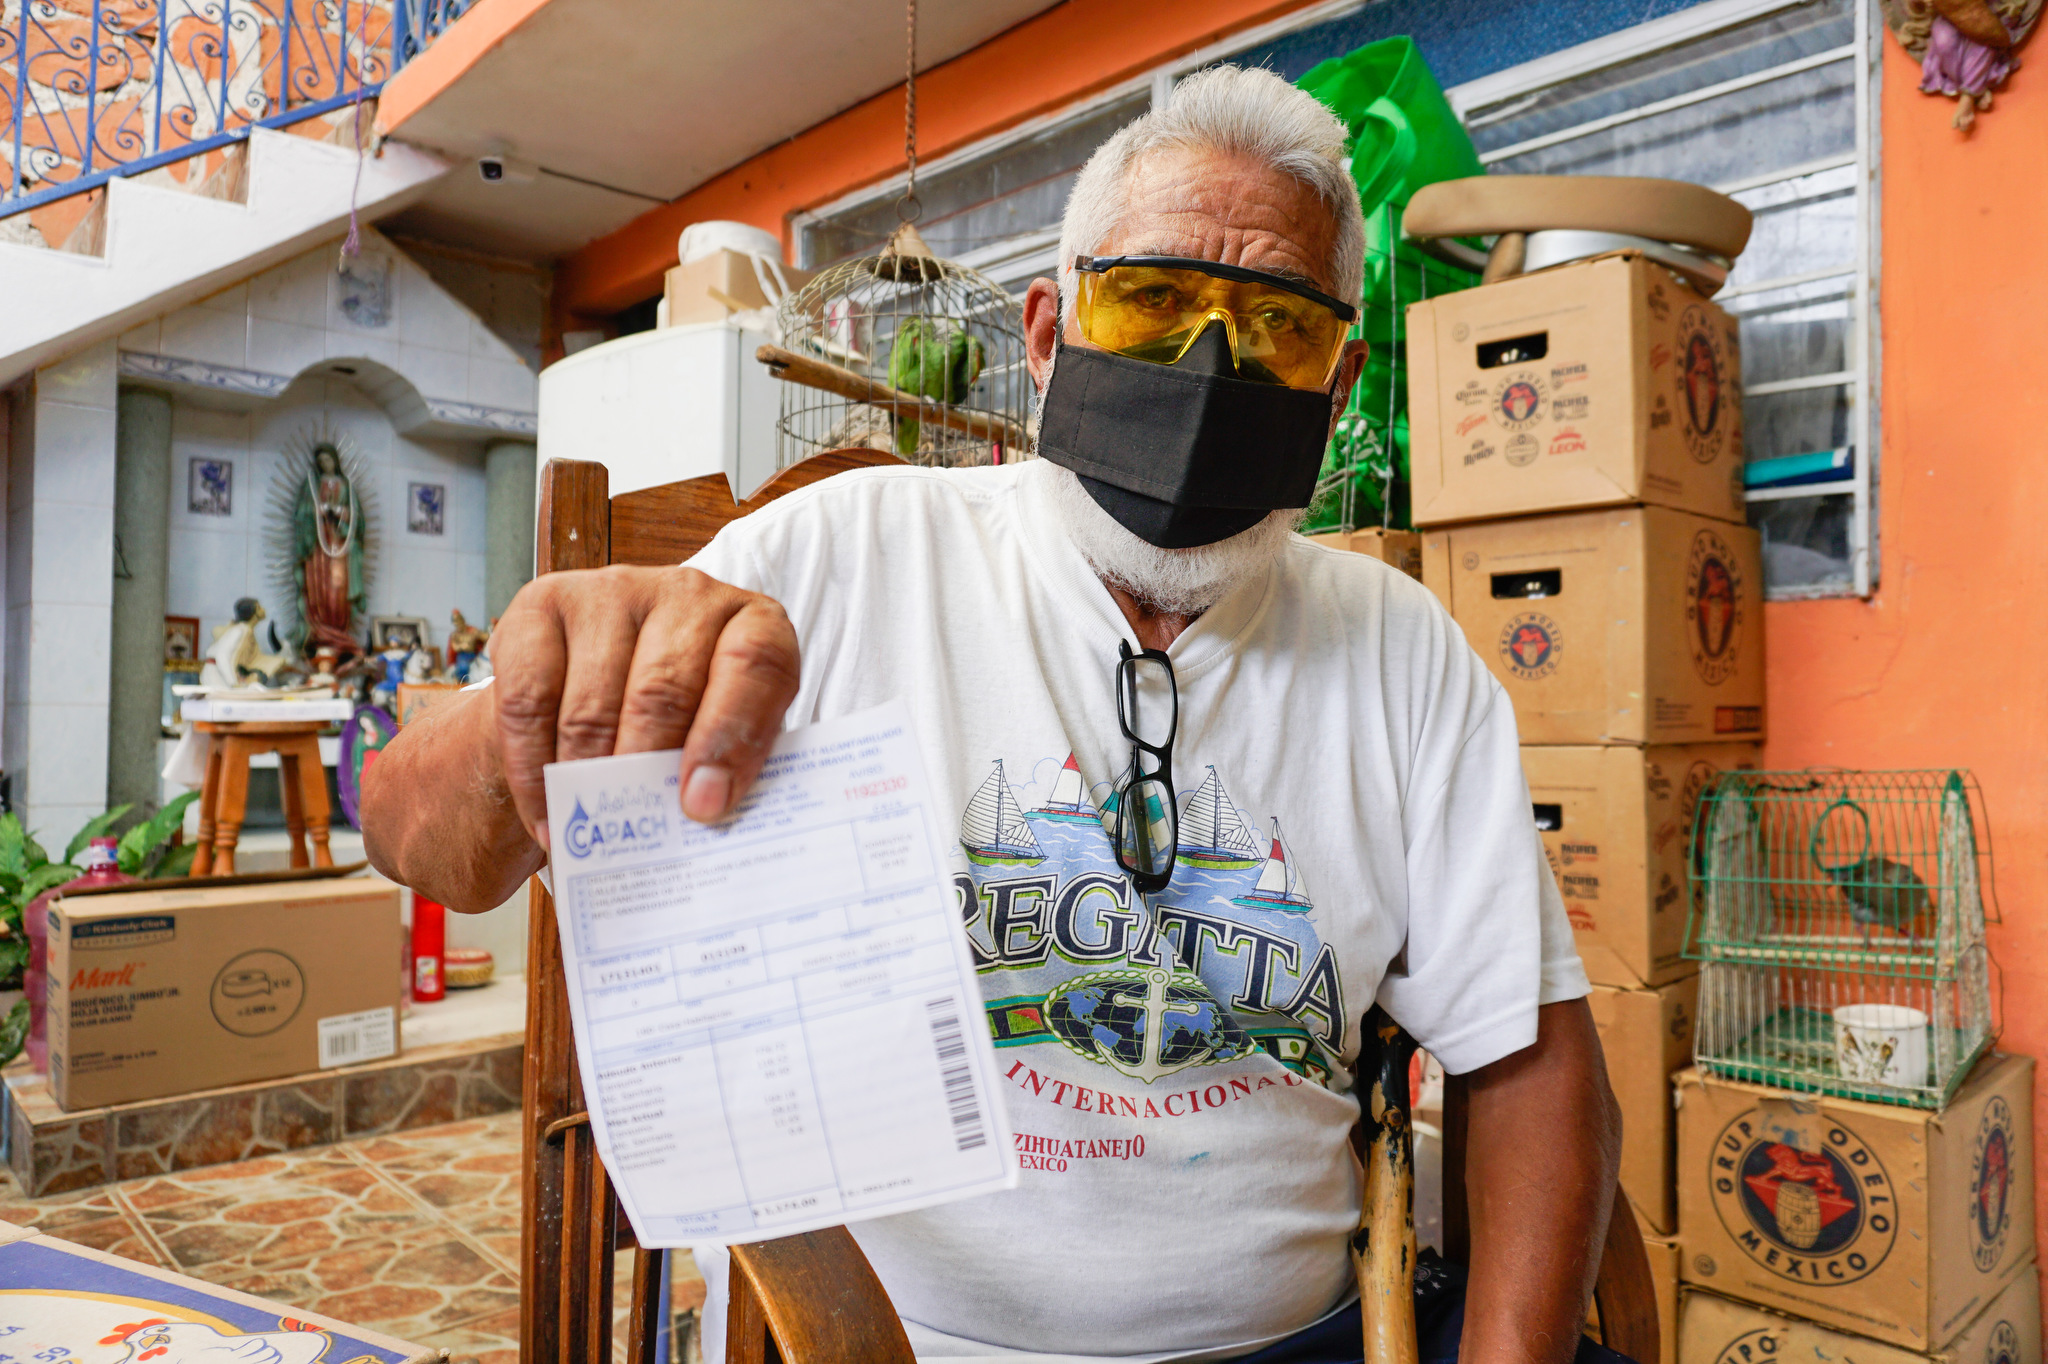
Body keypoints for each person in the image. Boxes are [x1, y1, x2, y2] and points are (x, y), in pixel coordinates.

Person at [362, 66, 1621, 1364]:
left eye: (1277, 328)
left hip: (1284, 1342)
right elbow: (418, 840)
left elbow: (1528, 1059)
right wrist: (531, 697)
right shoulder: (836, 562)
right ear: (1043, 336)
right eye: (1150, 303)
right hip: (889, 1342)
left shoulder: (1403, 651)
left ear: (1340, 379)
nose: (1209, 363)